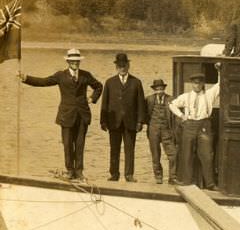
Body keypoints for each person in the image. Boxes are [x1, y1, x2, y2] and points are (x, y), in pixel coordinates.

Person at [18, 48, 102, 182]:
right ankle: (70, 170)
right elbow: (43, 82)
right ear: (68, 61)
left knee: (80, 144)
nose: (75, 63)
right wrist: (26, 78)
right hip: (66, 116)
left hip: (82, 115)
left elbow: (99, 86)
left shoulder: (86, 75)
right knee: (67, 144)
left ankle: (79, 172)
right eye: (72, 61)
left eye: (77, 61)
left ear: (79, 62)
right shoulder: (60, 75)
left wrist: (92, 99)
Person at [169, 72, 220, 189]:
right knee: (187, 154)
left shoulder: (209, 94)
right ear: (192, 84)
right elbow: (172, 105)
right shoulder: (185, 96)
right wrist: (181, 116)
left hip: (204, 125)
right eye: (194, 83)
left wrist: (219, 70)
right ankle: (186, 181)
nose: (197, 85)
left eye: (199, 83)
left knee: (207, 155)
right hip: (189, 125)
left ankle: (210, 184)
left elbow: (220, 84)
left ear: (203, 84)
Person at [100, 53, 146, 182]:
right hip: (114, 122)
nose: (122, 68)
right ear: (116, 67)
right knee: (114, 149)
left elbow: (140, 103)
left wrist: (140, 121)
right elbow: (105, 102)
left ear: (128, 65)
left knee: (130, 150)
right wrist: (103, 121)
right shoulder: (109, 82)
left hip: (131, 122)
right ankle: (114, 174)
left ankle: (129, 174)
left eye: (124, 65)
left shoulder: (136, 82)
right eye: (120, 66)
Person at [144, 79, 178, 184]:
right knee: (155, 155)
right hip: (153, 130)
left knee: (173, 154)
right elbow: (144, 114)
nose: (159, 91)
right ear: (154, 90)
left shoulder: (171, 99)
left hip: (166, 130)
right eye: (157, 89)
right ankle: (158, 177)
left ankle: (172, 177)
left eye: (161, 89)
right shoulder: (148, 100)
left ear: (164, 89)